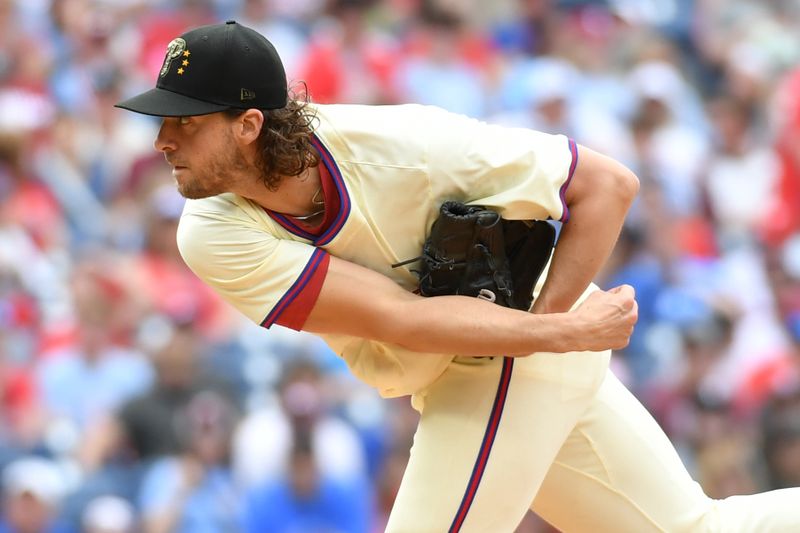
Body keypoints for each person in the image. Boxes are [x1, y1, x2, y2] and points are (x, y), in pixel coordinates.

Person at [115, 20, 800, 532]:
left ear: (248, 125)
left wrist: (547, 330)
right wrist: (554, 333)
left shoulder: (403, 146)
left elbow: (608, 185)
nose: (162, 140)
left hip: (512, 349)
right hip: (508, 347)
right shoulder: (209, 228)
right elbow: (400, 318)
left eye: (184, 121)